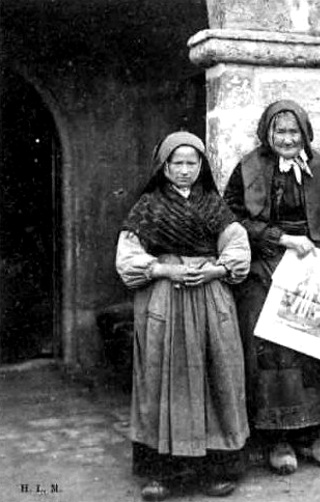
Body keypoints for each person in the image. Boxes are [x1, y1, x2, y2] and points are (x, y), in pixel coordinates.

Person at [223, 100, 320, 474]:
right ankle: (277, 438)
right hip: (267, 266)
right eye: (280, 132)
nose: (287, 139)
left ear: (305, 134)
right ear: (268, 134)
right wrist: (279, 238)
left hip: (313, 266)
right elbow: (231, 217)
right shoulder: (249, 168)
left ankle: (316, 436)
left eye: (293, 132)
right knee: (275, 349)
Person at [115, 132, 250, 501]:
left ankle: (214, 469)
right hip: (165, 299)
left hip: (210, 296)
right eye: (178, 163)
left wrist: (217, 271)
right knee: (162, 377)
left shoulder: (213, 205)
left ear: (202, 166)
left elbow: (238, 247)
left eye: (193, 163)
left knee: (215, 372)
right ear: (164, 166)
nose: (186, 170)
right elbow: (128, 258)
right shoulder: (148, 206)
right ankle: (160, 473)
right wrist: (164, 270)